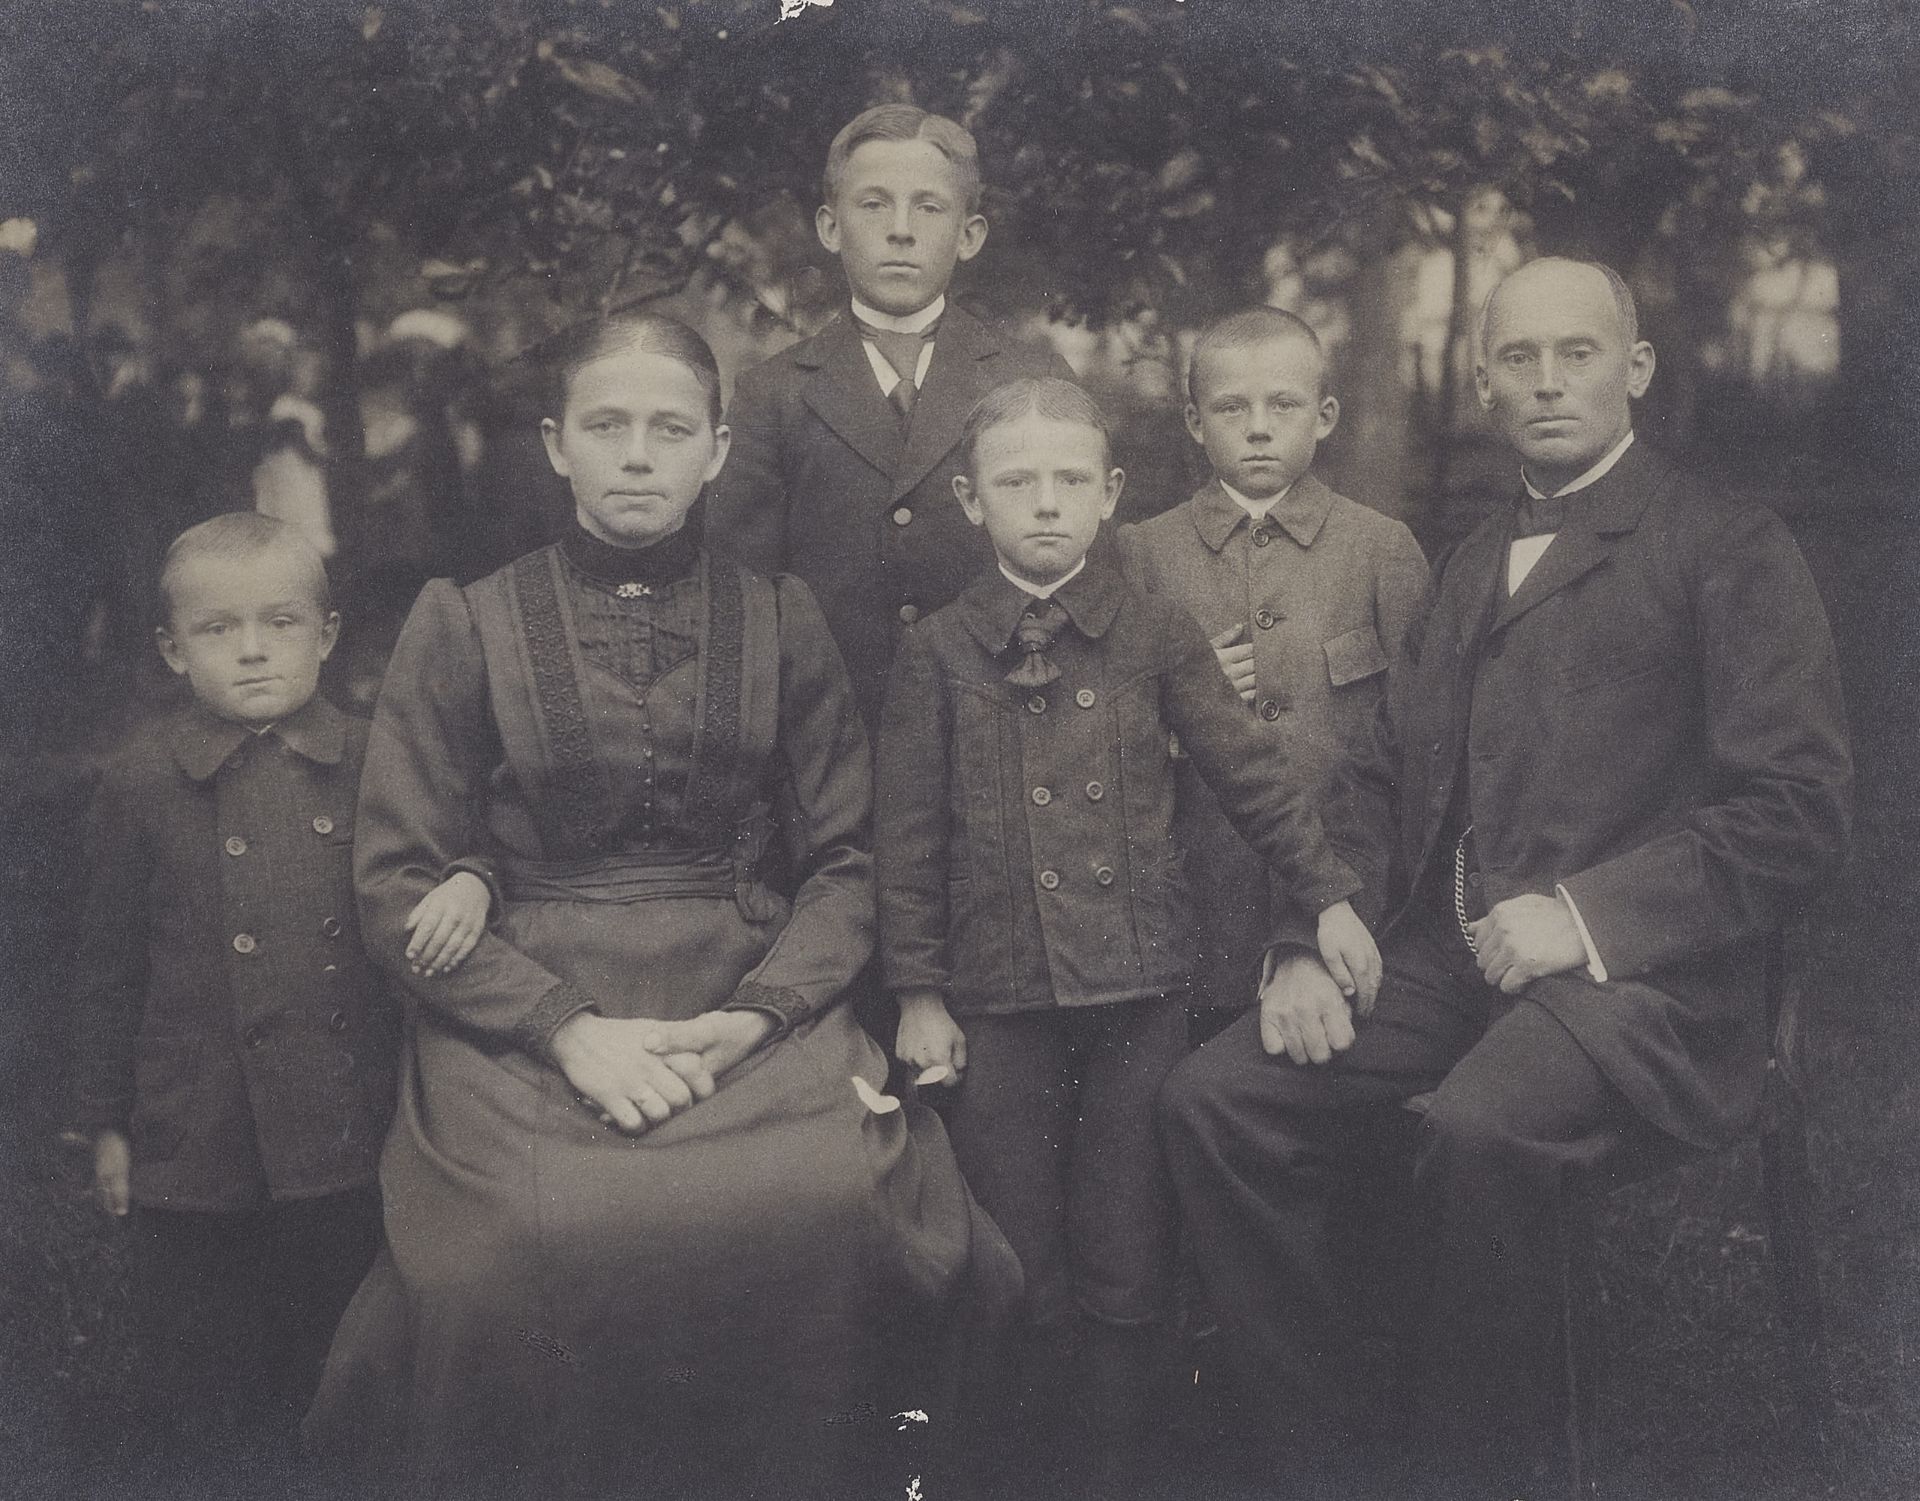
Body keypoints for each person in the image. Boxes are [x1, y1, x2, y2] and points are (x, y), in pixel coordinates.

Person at [1158, 258, 1854, 1497]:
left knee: (1477, 1133)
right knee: (1217, 1100)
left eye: (1577, 353)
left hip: (1650, 993)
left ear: (1634, 369)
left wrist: (1585, 916)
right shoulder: (1471, 560)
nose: (1547, 381)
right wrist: (1309, 933)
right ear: (1482, 384)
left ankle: (1477, 1472)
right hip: (1456, 960)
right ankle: (1332, 1447)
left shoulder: (1727, 545)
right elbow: (1381, 780)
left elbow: (1800, 814)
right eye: (1519, 359)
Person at [305, 310, 1014, 1500]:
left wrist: (758, 1017)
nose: (639, 453)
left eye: (670, 428)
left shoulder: (782, 618)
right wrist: (566, 1030)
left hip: (743, 994)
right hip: (522, 1005)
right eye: (608, 425)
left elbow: (848, 860)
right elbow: (396, 880)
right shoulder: (465, 623)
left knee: (833, 1205)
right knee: (511, 1253)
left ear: (717, 452)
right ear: (556, 444)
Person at [875, 376, 1380, 1496]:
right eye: (1016, 483)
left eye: (1069, 481)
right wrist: (918, 993)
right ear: (970, 500)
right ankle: (1024, 1466)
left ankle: (1117, 1471)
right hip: (997, 996)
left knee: (1130, 1251)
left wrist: (1328, 893)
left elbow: (1251, 772)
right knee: (1014, 1254)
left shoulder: (1153, 627)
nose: (1044, 504)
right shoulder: (943, 651)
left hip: (1140, 990)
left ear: (1110, 495)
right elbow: (907, 840)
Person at [68, 513, 488, 1475]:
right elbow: (107, 966)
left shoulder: (375, 755)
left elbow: (455, 838)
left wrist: (473, 877)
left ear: (328, 634)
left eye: (281, 622)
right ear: (174, 651)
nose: (253, 650)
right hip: (195, 1123)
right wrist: (106, 1123)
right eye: (218, 630)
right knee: (204, 1359)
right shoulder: (140, 783)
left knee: (345, 1340)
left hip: (343, 1114)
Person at [707, 103, 1072, 729]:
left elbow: (1082, 573)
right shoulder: (772, 394)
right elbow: (742, 599)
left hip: (1001, 730)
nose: (900, 230)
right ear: (830, 227)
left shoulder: (1029, 380)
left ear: (968, 235)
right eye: (873, 204)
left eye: (928, 207)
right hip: (836, 740)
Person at [1118, 307, 1427, 1026]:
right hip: (1191, 916)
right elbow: (1101, 735)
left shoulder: (1383, 551)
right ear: (1195, 422)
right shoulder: (1141, 554)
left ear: (1324, 416)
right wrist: (1177, 713)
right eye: (1231, 407)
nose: (1258, 426)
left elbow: (1415, 755)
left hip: (1349, 917)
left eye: (1283, 404)